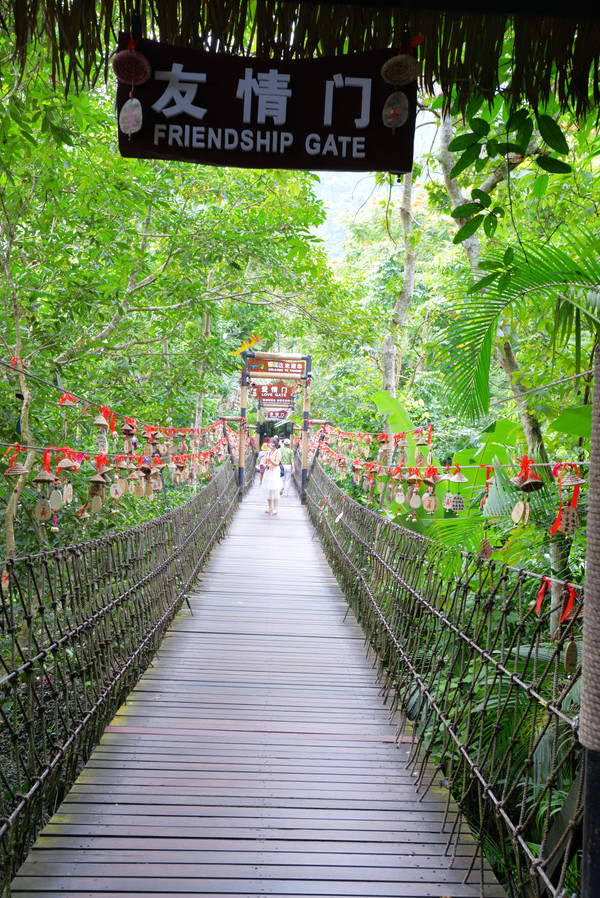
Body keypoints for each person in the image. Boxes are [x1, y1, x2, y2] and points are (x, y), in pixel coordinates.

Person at [261, 436, 282, 515]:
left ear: (275, 444)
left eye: (272, 444)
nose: (271, 445)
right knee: (269, 489)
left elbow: (277, 463)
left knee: (275, 489)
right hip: (268, 471)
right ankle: (270, 507)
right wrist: (265, 464)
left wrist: (271, 460)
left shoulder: (278, 452)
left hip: (275, 472)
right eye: (270, 443)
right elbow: (265, 462)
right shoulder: (268, 452)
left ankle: (275, 508)